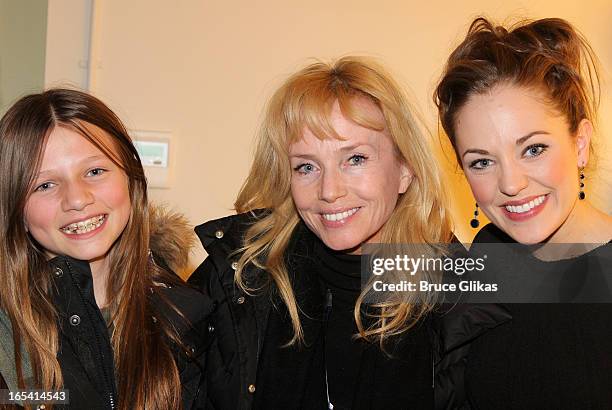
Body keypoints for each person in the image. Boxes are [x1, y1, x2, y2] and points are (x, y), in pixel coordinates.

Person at [189, 56, 453, 409]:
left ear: (405, 168)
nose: (329, 190)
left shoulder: (459, 290)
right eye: (307, 166)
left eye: (355, 159)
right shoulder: (238, 278)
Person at [433, 17, 612, 409]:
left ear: (580, 143)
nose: (511, 184)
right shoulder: (485, 257)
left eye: (533, 149)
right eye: (481, 162)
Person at [0, 89, 212, 409]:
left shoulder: (187, 314)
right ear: (17, 209)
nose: (77, 199)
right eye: (45, 185)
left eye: (95, 171)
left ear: (132, 178)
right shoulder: (6, 333)